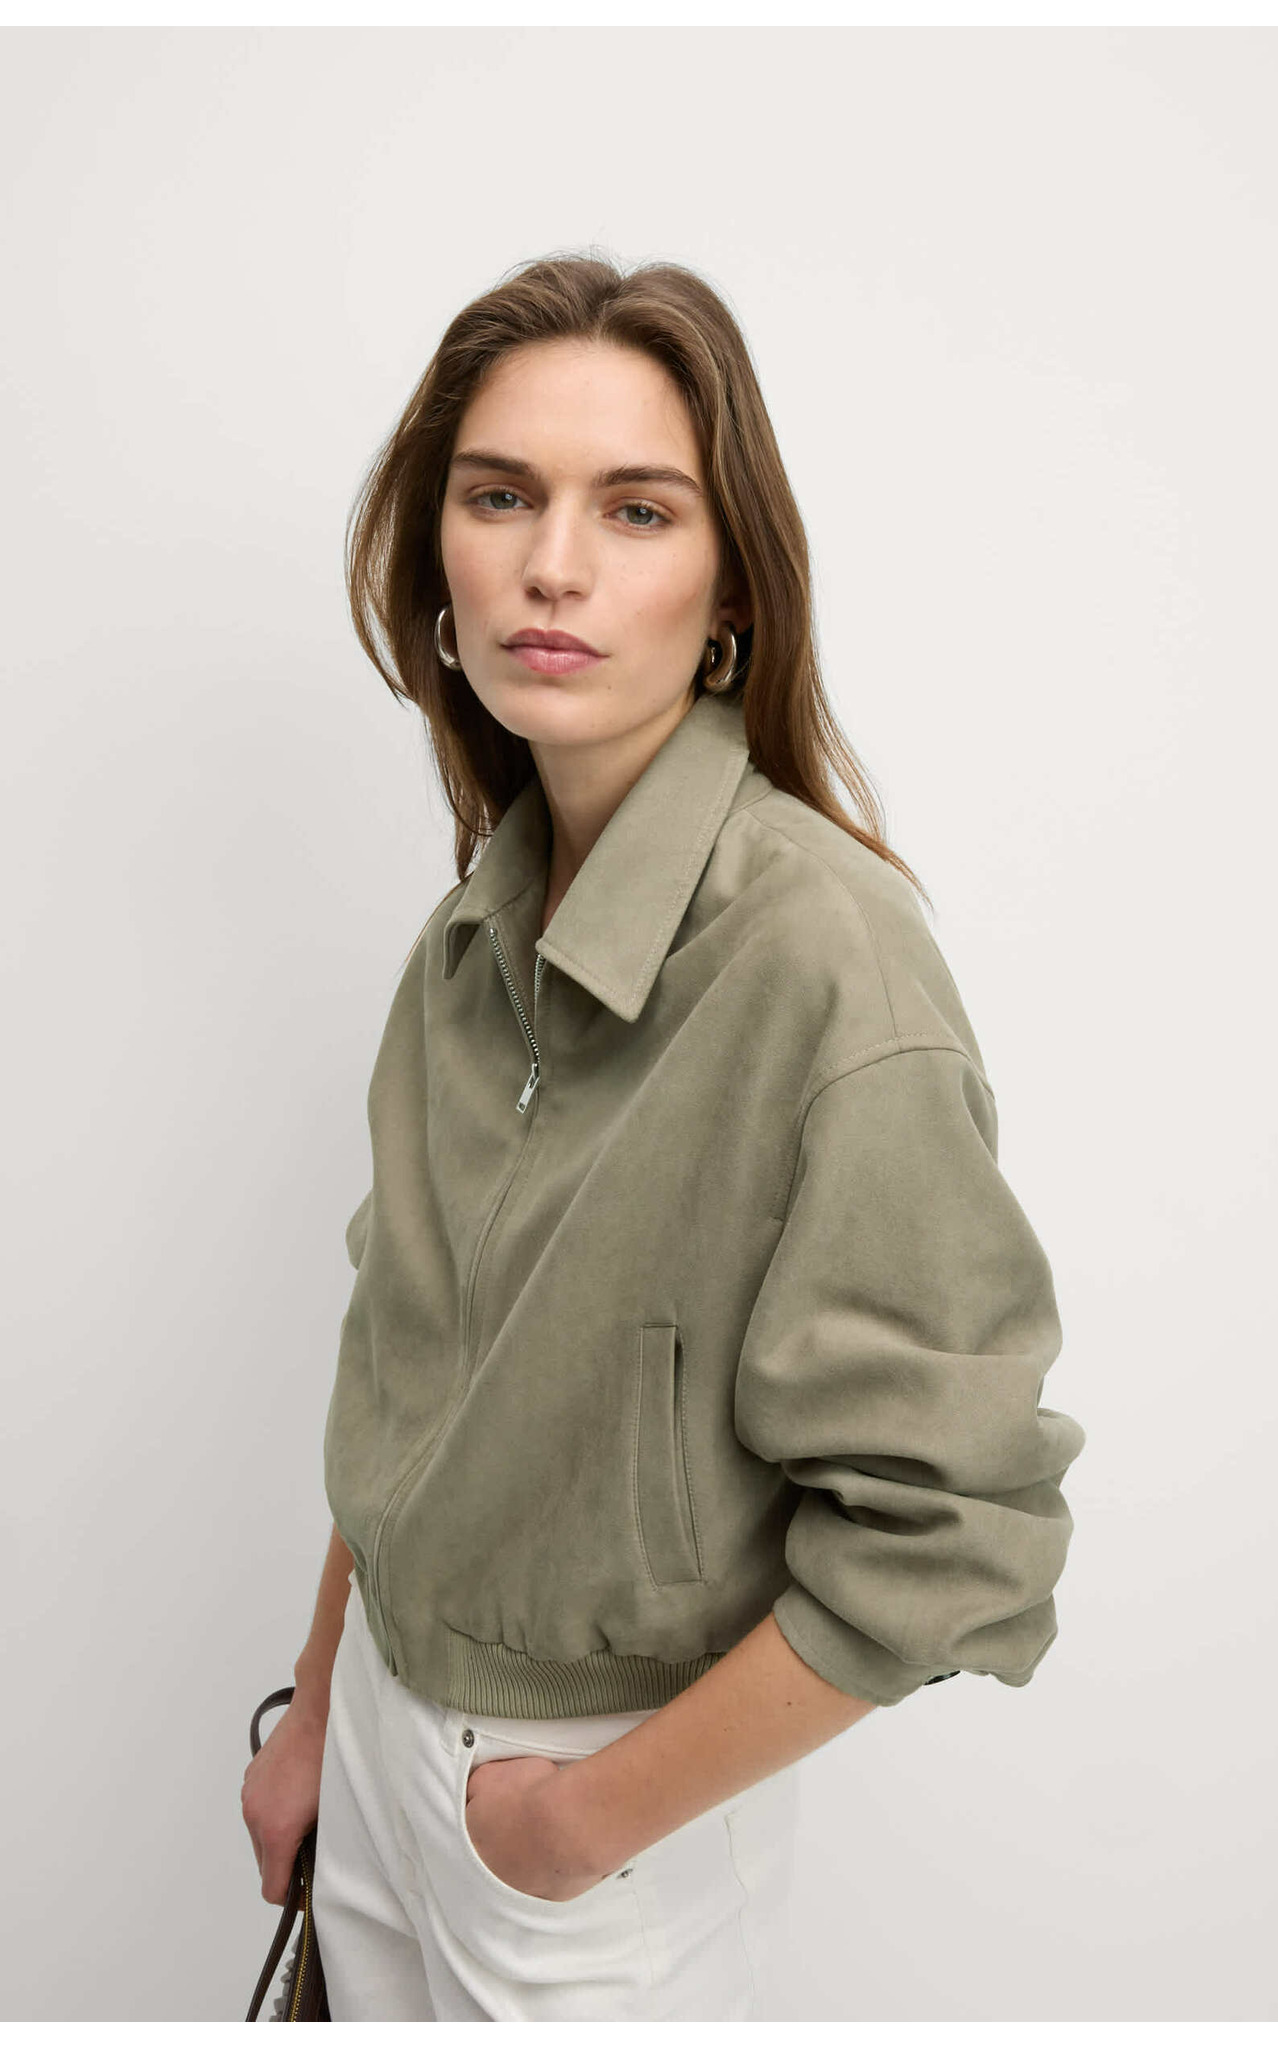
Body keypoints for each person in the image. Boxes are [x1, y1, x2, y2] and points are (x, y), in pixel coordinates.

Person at [240, 252, 1087, 2022]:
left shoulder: (824, 960)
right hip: (383, 1741)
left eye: (635, 510)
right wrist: (321, 1712)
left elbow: (954, 1532)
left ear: (730, 596)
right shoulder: (472, 935)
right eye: (500, 497)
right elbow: (404, 1365)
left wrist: (571, 1828)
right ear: (438, 565)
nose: (553, 565)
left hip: (583, 1826)